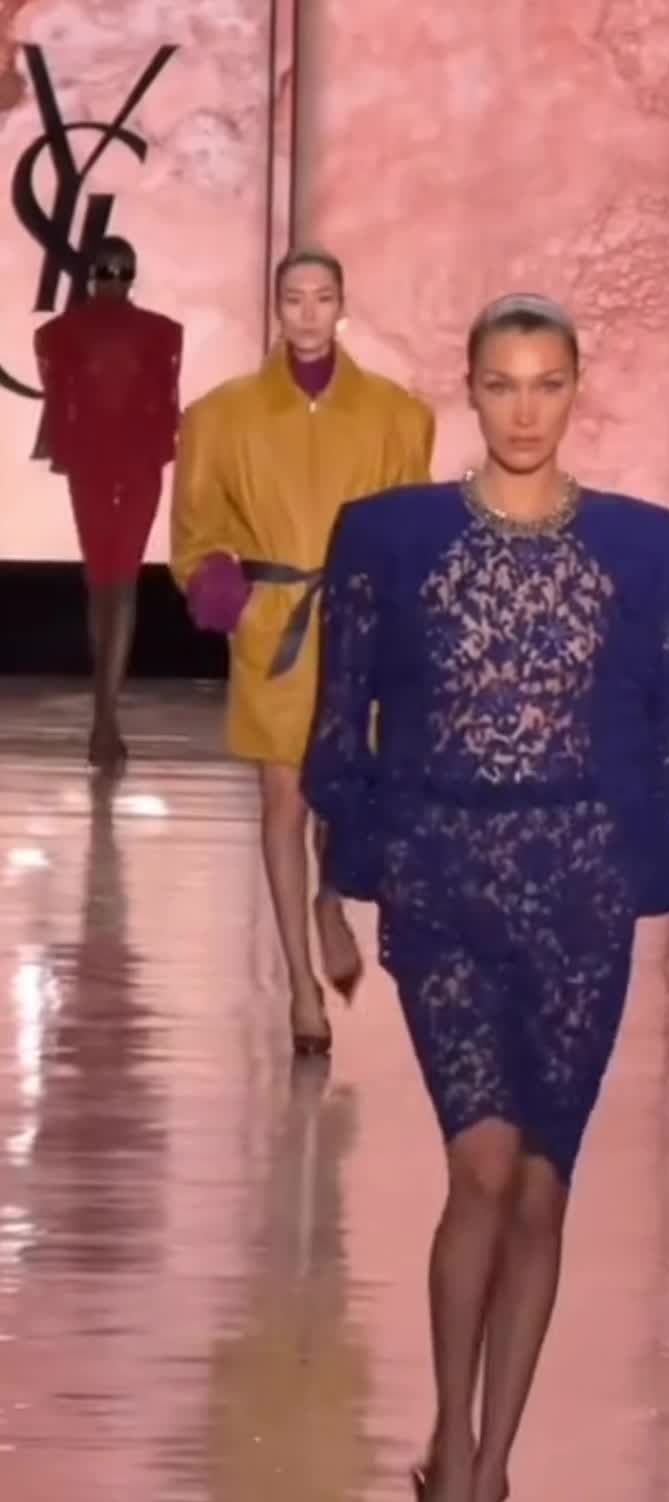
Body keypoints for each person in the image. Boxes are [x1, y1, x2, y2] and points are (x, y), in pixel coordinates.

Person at [302, 293, 669, 1502]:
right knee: (480, 1168)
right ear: (470, 388)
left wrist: (636, 858)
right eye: (502, 383)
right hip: (444, 884)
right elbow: (341, 722)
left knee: (542, 1188)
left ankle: (485, 1485)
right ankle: (449, 1449)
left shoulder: (653, 550)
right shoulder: (392, 538)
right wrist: (343, 878)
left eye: (547, 383)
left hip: (577, 898)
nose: (525, 408)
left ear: (577, 387)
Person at [171, 247, 434, 1055]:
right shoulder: (221, 417)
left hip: (357, 629)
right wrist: (228, 593)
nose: (309, 313)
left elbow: (409, 532)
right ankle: (299, 987)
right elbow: (195, 529)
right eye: (295, 298)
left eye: (323, 298)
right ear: (276, 307)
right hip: (275, 629)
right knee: (283, 801)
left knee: (342, 797)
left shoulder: (397, 416)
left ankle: (329, 901)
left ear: (342, 308)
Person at [35, 237, 183, 773]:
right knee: (121, 586)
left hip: (94, 468)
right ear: (128, 274)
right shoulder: (165, 333)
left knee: (103, 585)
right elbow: (168, 409)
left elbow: (59, 405)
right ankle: (105, 721)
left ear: (92, 274)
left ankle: (104, 722)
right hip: (136, 468)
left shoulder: (56, 334)